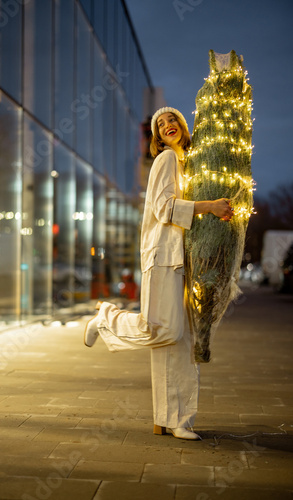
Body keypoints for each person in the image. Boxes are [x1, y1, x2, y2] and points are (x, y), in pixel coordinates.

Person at [84, 107, 234, 440]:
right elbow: (163, 209)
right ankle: (108, 318)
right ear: (156, 137)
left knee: (179, 341)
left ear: (183, 125)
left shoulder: (184, 165)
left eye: (172, 120)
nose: (167, 125)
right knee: (162, 330)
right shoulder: (166, 160)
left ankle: (175, 419)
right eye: (160, 124)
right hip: (162, 258)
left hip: (178, 260)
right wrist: (209, 206)